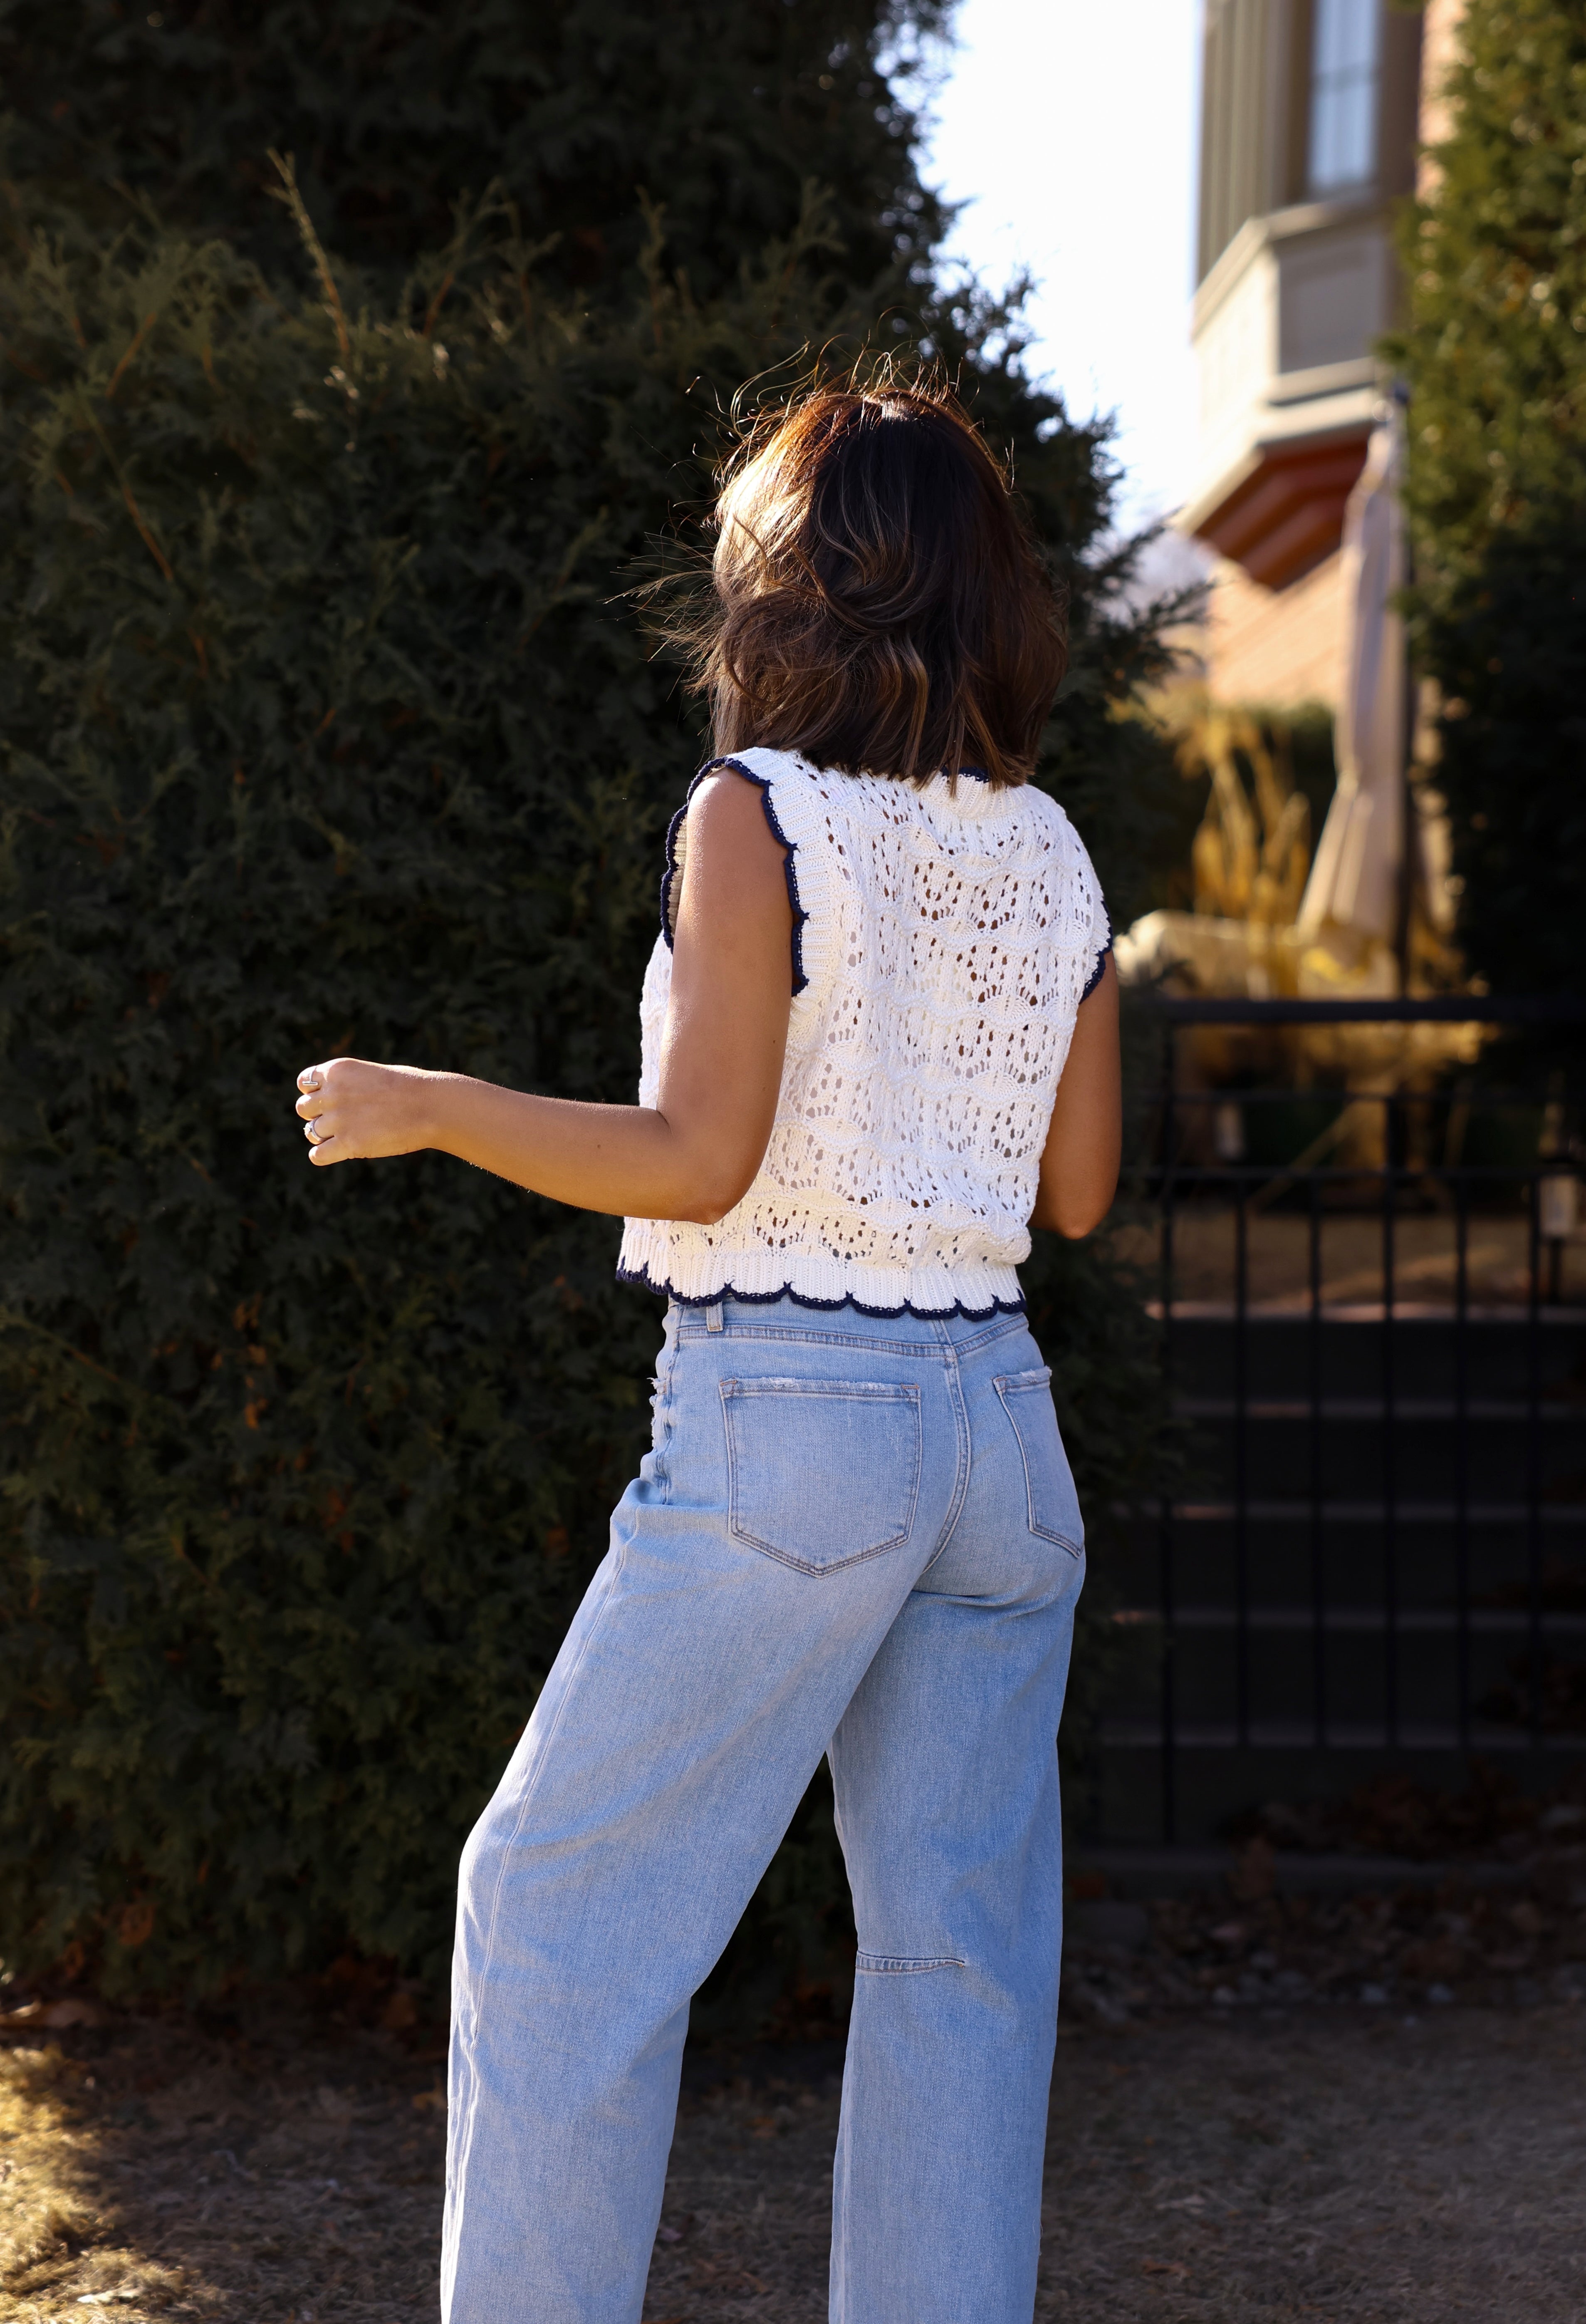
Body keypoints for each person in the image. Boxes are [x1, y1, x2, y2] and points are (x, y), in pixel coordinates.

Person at [294, 374, 1121, 2324]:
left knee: (559, 1911)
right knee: (963, 1968)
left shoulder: (756, 816)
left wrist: (434, 1100)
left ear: (798, 590)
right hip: (1003, 1442)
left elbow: (701, 1151)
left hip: (794, 1431)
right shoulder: (1055, 851)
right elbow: (1077, 1191)